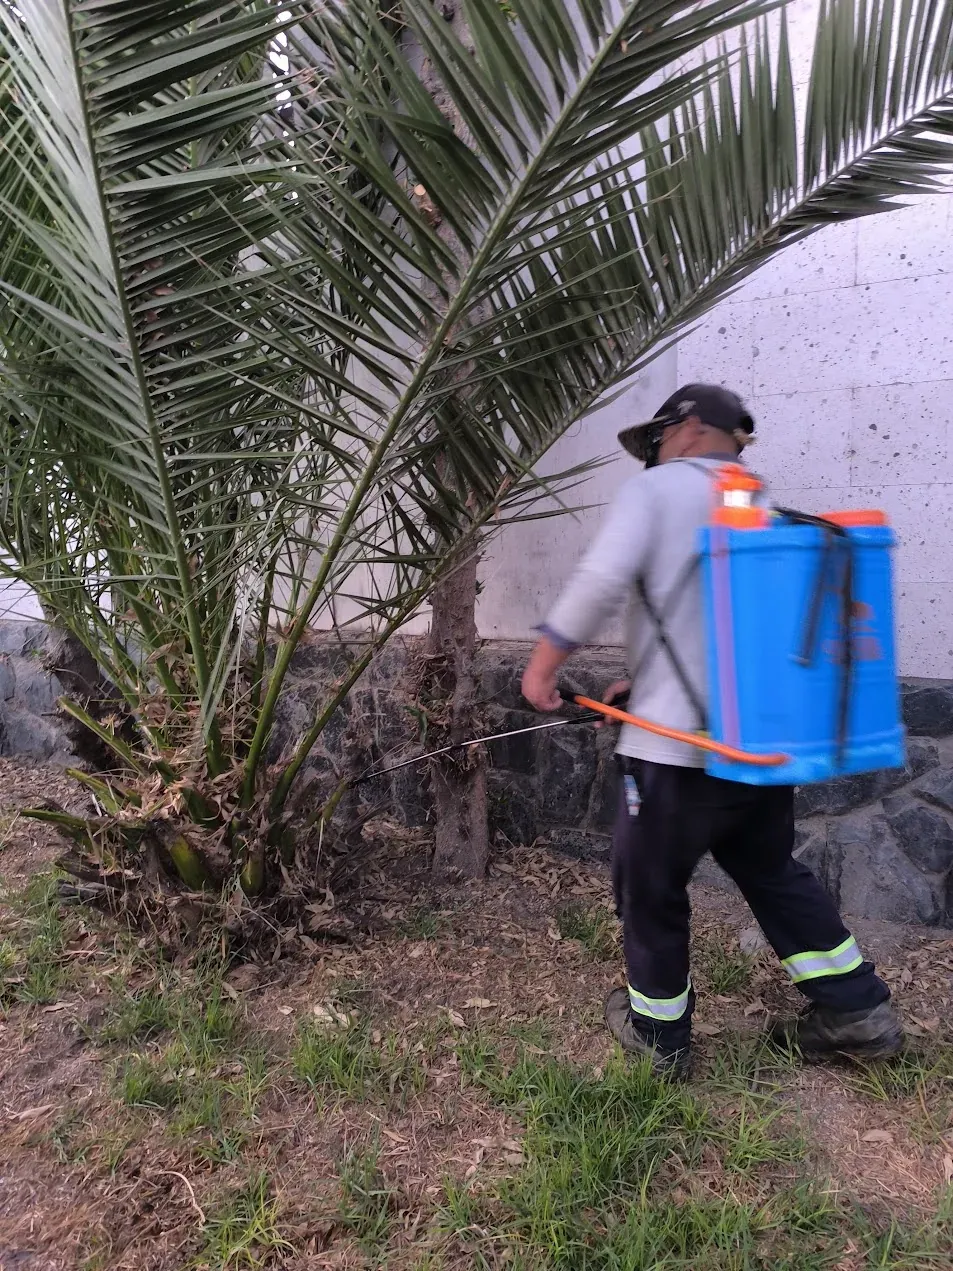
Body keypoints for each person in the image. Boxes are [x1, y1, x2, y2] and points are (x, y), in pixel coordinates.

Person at [520, 384, 904, 1078]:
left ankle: (658, 1037)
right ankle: (855, 1010)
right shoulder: (756, 501)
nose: (655, 457)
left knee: (650, 886)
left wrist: (543, 665)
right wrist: (645, 682)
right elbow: (728, 626)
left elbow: (600, 578)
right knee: (768, 869)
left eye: (659, 440)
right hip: (754, 746)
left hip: (675, 756)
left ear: (688, 427)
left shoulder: (659, 490)